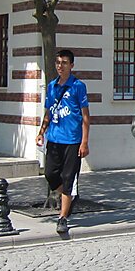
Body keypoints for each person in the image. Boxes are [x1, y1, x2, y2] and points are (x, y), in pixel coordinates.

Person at [36, 49, 90, 235]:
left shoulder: (78, 86)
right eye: (58, 62)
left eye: (64, 62)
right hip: (54, 138)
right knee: (51, 174)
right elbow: (48, 112)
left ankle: (63, 217)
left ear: (71, 65)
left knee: (68, 177)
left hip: (73, 140)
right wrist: (41, 132)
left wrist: (84, 142)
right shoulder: (51, 86)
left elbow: (85, 116)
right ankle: (70, 196)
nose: (60, 66)